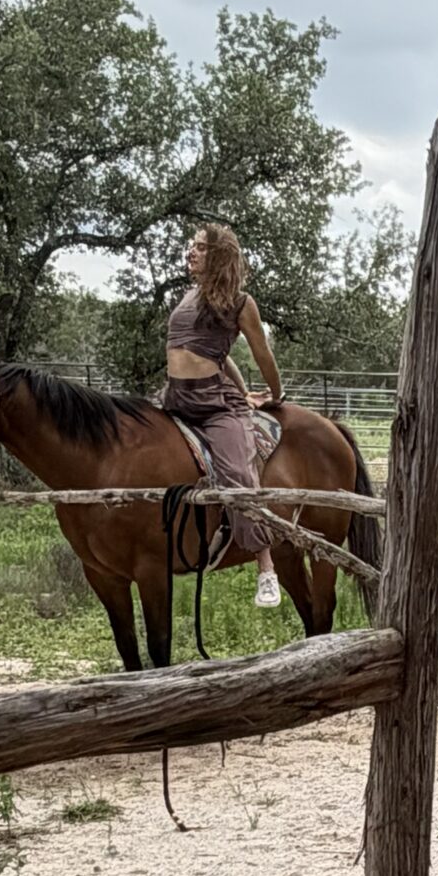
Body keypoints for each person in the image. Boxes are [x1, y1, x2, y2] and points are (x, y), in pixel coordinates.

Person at [164, 222, 287, 608]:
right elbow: (219, 354)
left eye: (200, 247)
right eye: (192, 246)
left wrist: (276, 393)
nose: (191, 252)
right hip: (174, 398)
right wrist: (237, 382)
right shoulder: (188, 297)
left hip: (215, 405)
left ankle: (265, 567)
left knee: (237, 474)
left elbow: (260, 352)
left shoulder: (240, 301)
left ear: (218, 256)